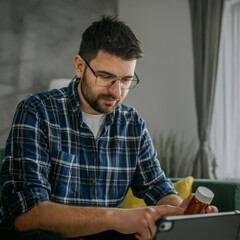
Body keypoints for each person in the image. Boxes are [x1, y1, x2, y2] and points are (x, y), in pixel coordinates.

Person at [0, 15, 217, 240]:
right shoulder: (36, 111)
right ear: (79, 66)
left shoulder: (133, 124)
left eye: (126, 80)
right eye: (105, 77)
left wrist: (181, 212)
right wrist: (118, 218)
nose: (116, 91)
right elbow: (27, 216)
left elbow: (158, 187)